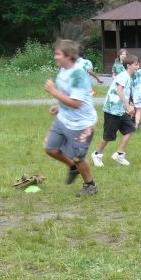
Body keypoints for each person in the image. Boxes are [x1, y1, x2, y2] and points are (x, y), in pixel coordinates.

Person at [43, 39, 98, 197]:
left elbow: (76, 103)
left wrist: (53, 91)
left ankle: (90, 185)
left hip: (82, 125)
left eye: (58, 54)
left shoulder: (78, 74)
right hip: (63, 119)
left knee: (78, 157)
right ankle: (74, 167)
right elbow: (69, 95)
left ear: (68, 56)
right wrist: (60, 106)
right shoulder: (64, 70)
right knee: (50, 148)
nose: (55, 57)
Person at [91, 54, 139, 166]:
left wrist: (128, 106)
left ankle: (119, 154)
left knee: (130, 129)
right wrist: (128, 106)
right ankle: (97, 154)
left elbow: (126, 93)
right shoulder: (123, 76)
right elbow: (119, 91)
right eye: (136, 64)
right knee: (108, 135)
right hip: (112, 110)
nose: (138, 67)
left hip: (120, 110)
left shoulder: (129, 77)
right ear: (128, 65)